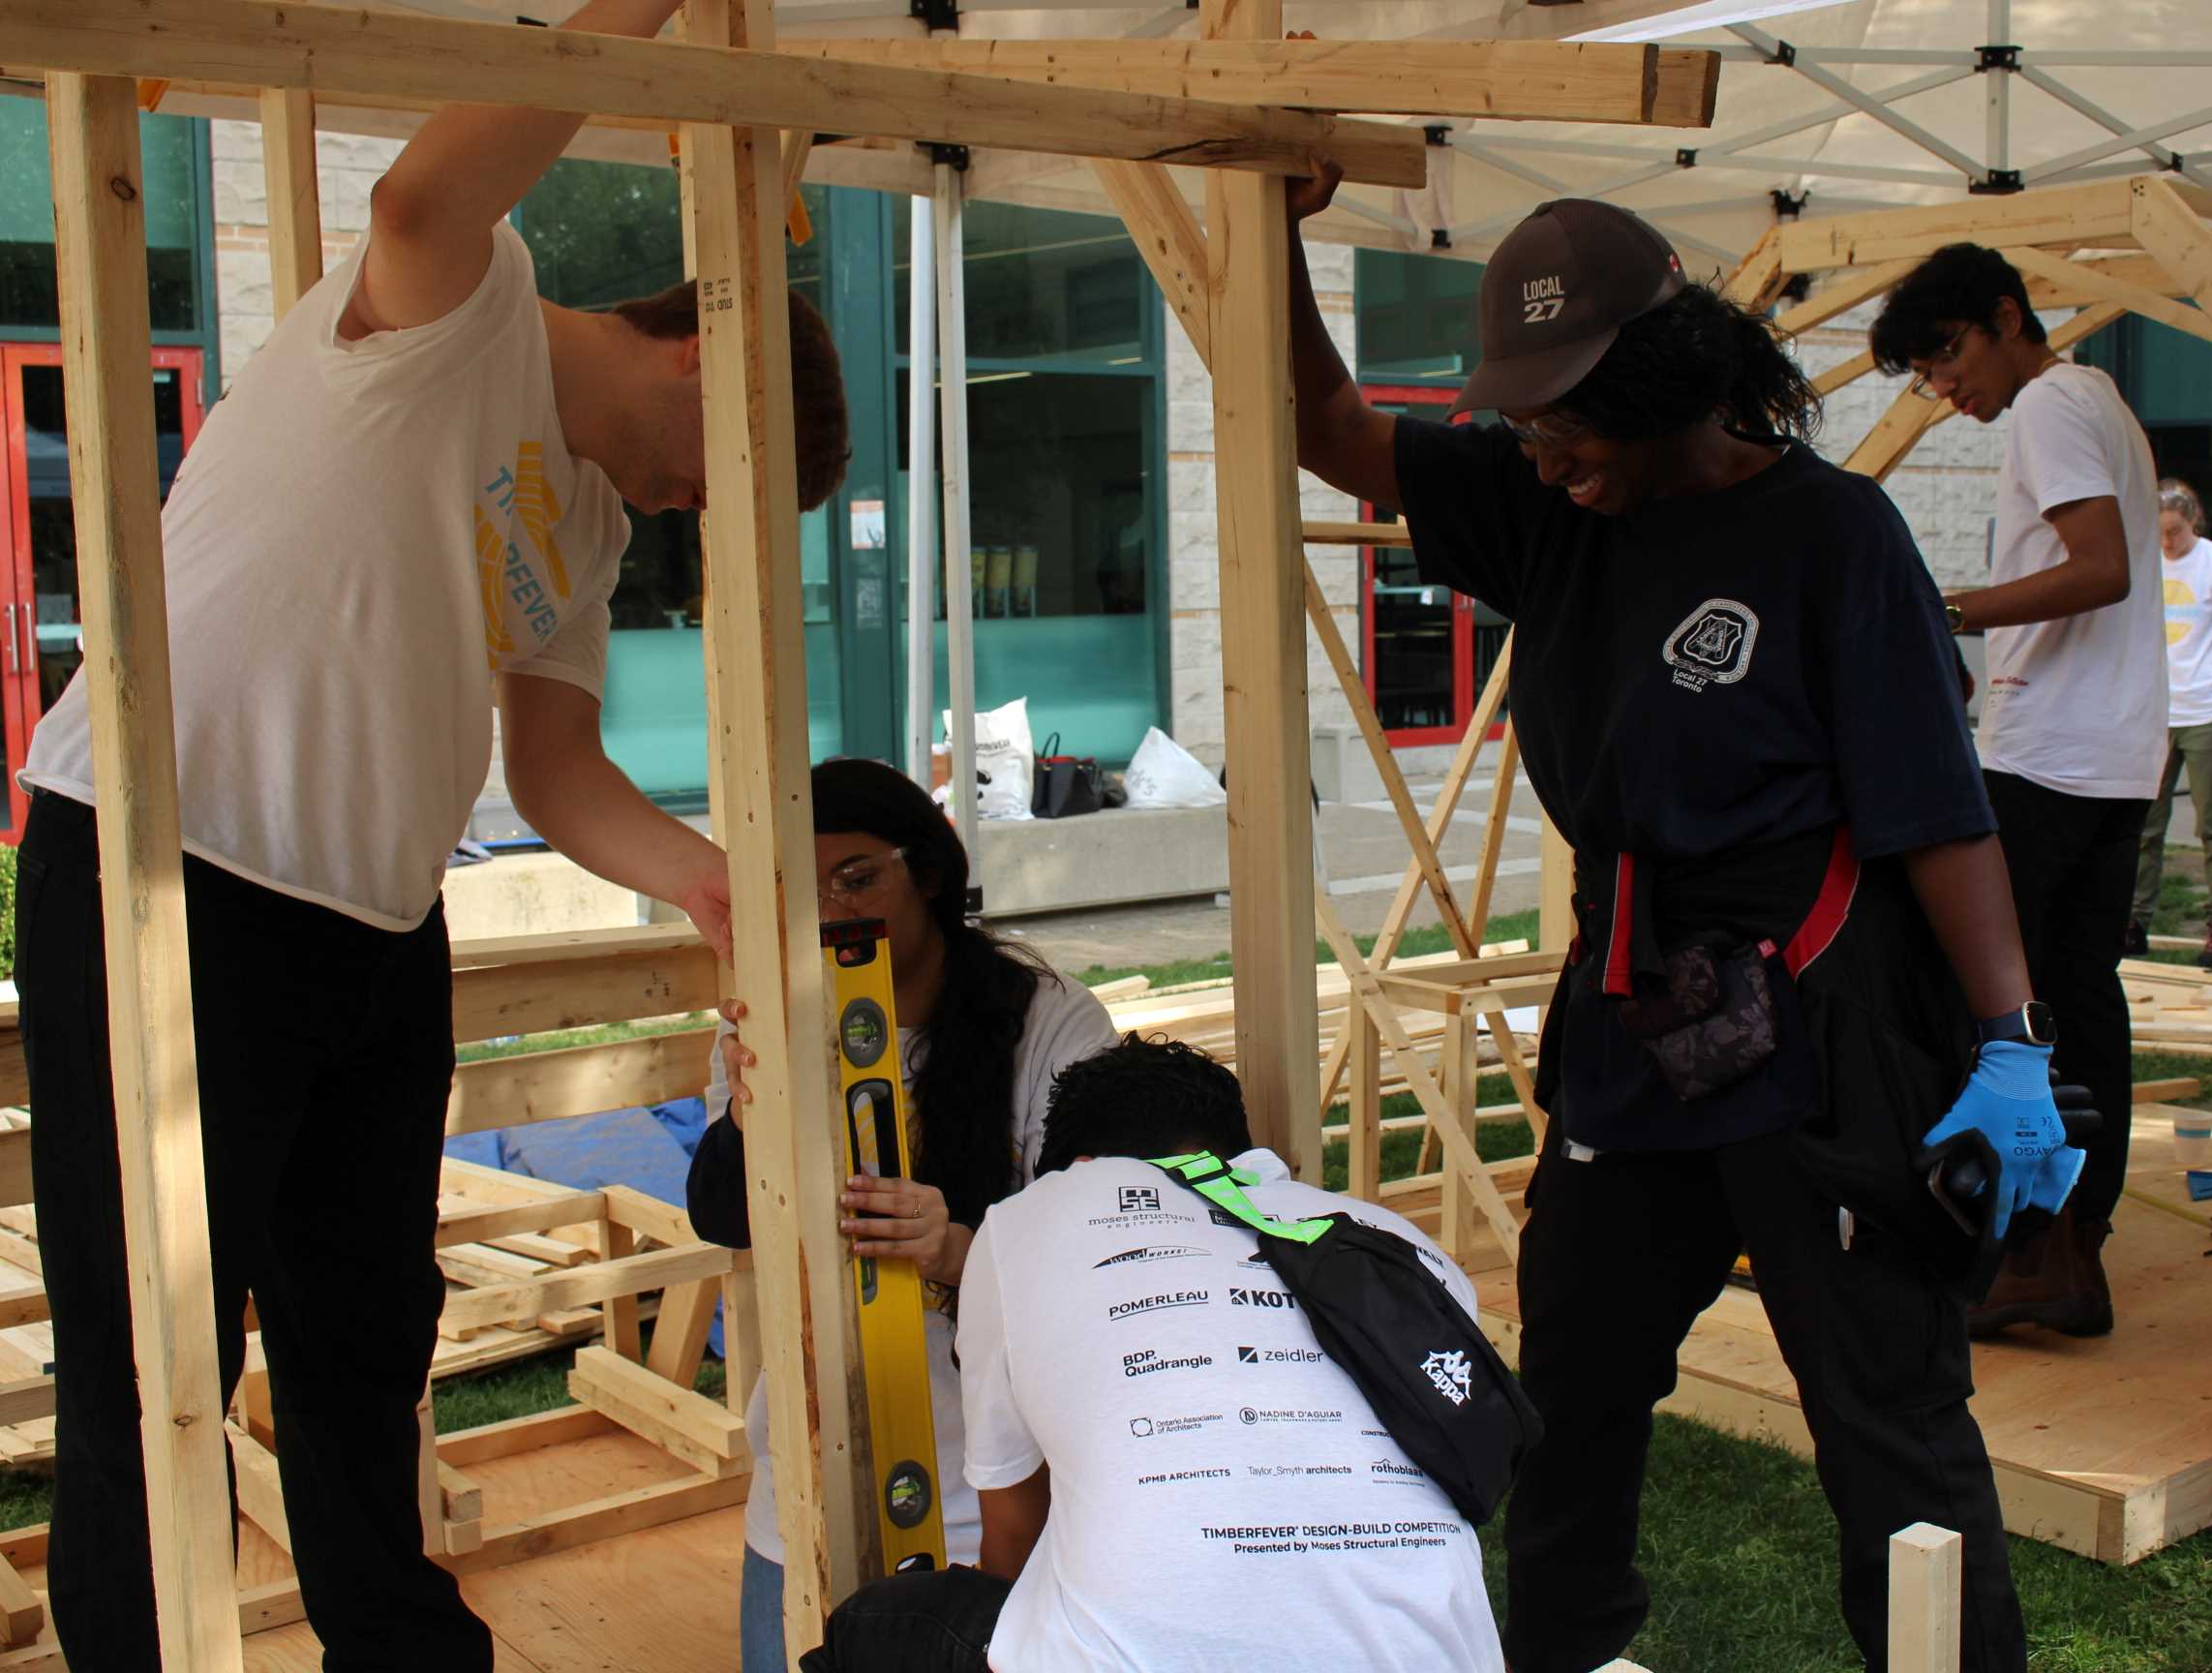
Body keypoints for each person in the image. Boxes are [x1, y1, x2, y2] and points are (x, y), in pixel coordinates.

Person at [12, 3, 847, 1663]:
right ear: (698, 351)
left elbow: (554, 768)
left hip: (377, 923)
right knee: (151, 1361)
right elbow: (412, 202)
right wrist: (633, 19)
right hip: (172, 870)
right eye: (717, 475)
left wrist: (699, 875)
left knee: (364, 1341)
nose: (696, 509)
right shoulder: (472, 304)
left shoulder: (593, 522)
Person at [1284, 169, 2080, 1673]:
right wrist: (1274, 231)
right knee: (1573, 1385)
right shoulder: (1552, 514)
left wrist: (2008, 1040)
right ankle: (1569, 1655)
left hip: (1822, 1029)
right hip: (1635, 1025)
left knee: (1884, 1414)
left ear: (1663, 389)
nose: (1542, 455)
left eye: (1566, 426)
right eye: (1525, 427)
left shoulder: (1832, 540)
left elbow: (1936, 812)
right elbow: (1334, 434)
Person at [803, 1035, 1506, 1673]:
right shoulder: (1399, 1243)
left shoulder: (1029, 1219)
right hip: (1443, 1659)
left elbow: (1011, 1541)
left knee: (877, 1626)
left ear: (1077, 1169)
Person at [683, 756, 1117, 1673]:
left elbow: (1099, 1249)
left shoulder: (1050, 1025)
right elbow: (722, 1216)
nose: (836, 913)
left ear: (928, 870)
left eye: (858, 878)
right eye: (806, 891)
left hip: (996, 1483)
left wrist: (961, 1249)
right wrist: (749, 1107)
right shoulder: (775, 1016)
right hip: (808, 1467)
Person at [1870, 243, 2166, 1342]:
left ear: (2006, 316)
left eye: (1949, 355)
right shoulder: (2099, 401)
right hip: (2114, 755)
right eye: (1928, 375)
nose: (1947, 388)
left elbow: (2100, 570)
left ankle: (2024, 1246)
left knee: (1998, 1007)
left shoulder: (2051, 404)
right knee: (2082, 1001)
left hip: (2048, 758)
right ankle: (2068, 1251)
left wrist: (1949, 608)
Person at [2128, 480, 2212, 970]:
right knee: (2143, 827)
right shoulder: (2145, 561)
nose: (2168, 543)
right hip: (2155, 713)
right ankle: (2135, 922)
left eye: (2175, 532)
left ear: (2193, 521)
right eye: (2160, 533)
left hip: (2205, 710)